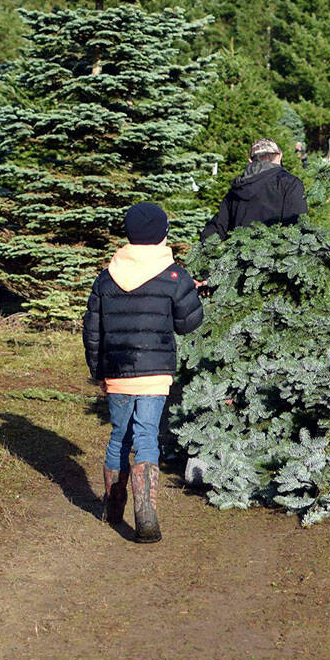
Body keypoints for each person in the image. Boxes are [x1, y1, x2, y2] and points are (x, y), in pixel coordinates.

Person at [82, 202, 204, 543]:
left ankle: (113, 506)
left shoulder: (105, 278)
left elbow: (92, 331)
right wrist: (191, 291)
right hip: (155, 374)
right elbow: (189, 322)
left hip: (117, 373)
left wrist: (98, 371)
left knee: (119, 435)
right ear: (162, 234)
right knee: (147, 435)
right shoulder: (174, 276)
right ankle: (146, 515)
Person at [200, 139, 308, 242]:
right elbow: (297, 227)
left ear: (250, 161)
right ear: (279, 155)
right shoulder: (290, 183)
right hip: (274, 259)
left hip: (237, 257)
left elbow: (215, 229)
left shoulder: (238, 186)